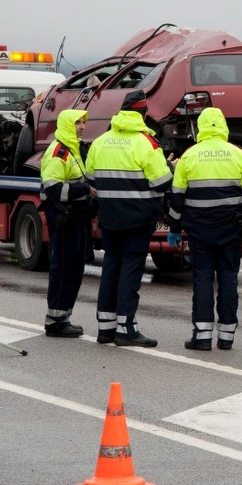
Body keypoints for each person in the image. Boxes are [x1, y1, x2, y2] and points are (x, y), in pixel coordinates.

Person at [167, 107, 242, 351]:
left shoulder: (189, 156)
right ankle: (227, 336)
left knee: (202, 279)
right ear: (223, 126)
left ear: (200, 127)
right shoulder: (239, 156)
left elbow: (176, 199)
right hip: (230, 230)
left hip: (199, 231)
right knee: (229, 279)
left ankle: (202, 335)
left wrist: (175, 227)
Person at [85, 90, 172, 347]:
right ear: (143, 114)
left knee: (111, 266)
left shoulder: (101, 141)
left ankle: (106, 328)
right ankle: (126, 329)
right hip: (138, 218)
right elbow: (162, 182)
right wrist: (171, 166)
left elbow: (90, 179)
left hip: (109, 216)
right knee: (131, 270)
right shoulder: (147, 143)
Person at [40, 109, 93, 337]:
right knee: (63, 268)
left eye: (83, 122)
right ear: (65, 125)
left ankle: (63, 317)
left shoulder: (74, 149)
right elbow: (52, 189)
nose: (82, 126)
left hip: (75, 217)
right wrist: (84, 190)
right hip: (64, 218)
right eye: (77, 123)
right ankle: (54, 321)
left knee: (74, 268)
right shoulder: (58, 152)